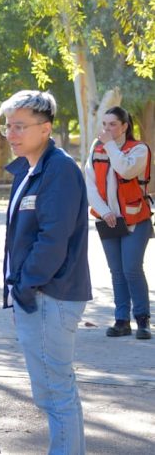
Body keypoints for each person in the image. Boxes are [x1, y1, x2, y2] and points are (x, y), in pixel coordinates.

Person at [1, 90, 91, 455]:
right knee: (58, 392)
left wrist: (25, 285)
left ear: (46, 128)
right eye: (8, 125)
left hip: (49, 296)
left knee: (55, 394)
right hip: (41, 295)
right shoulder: (31, 167)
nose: (11, 133)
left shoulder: (60, 170)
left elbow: (53, 239)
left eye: (20, 126)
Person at [84, 106, 151, 340]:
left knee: (131, 269)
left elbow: (125, 169)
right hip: (108, 221)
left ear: (124, 126)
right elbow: (89, 184)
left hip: (136, 220)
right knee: (116, 272)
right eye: (104, 124)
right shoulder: (96, 148)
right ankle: (122, 320)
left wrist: (111, 145)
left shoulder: (139, 150)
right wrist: (103, 212)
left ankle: (142, 320)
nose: (107, 129)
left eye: (112, 124)